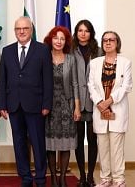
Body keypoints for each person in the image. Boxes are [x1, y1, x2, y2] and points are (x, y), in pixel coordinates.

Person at [0, 16, 53, 187]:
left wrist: (46, 104)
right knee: (19, 143)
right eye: (18, 29)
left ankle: (41, 178)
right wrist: (2, 105)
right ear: (15, 31)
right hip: (14, 105)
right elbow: (3, 80)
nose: (21, 32)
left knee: (38, 143)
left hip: (36, 105)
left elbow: (48, 79)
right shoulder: (7, 51)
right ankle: (26, 178)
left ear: (31, 30)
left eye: (25, 28)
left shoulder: (42, 50)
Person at [88, 31, 132, 187]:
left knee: (117, 149)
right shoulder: (94, 63)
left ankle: (119, 180)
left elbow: (127, 86)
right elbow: (91, 86)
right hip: (100, 110)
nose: (108, 43)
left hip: (117, 110)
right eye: (105, 40)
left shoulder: (125, 63)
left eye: (111, 40)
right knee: (103, 148)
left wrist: (109, 101)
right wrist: (100, 102)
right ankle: (105, 179)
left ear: (117, 43)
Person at [43, 26, 81, 187]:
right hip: (48, 106)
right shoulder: (43, 56)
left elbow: (75, 84)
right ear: (50, 39)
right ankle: (53, 177)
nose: (59, 41)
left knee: (66, 143)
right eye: (56, 38)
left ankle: (63, 178)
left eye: (62, 38)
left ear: (66, 41)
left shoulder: (71, 59)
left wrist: (77, 107)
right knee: (50, 144)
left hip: (66, 105)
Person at [72, 19, 100, 187]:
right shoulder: (70, 50)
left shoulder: (98, 51)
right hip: (76, 103)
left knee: (92, 141)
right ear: (76, 32)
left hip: (93, 102)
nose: (83, 33)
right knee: (78, 142)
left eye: (86, 30)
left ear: (91, 33)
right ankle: (81, 176)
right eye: (80, 30)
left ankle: (90, 176)